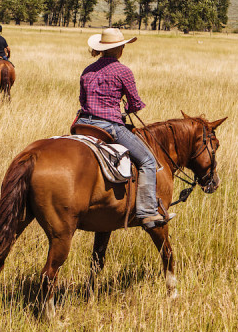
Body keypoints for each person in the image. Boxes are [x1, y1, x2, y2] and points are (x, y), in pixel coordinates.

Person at [75, 28, 175, 230]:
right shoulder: (123, 71)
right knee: (148, 161)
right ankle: (147, 212)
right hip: (109, 126)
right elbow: (135, 104)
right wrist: (127, 108)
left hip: (83, 124)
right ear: (120, 48)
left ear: (102, 48)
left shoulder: (87, 70)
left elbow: (82, 100)